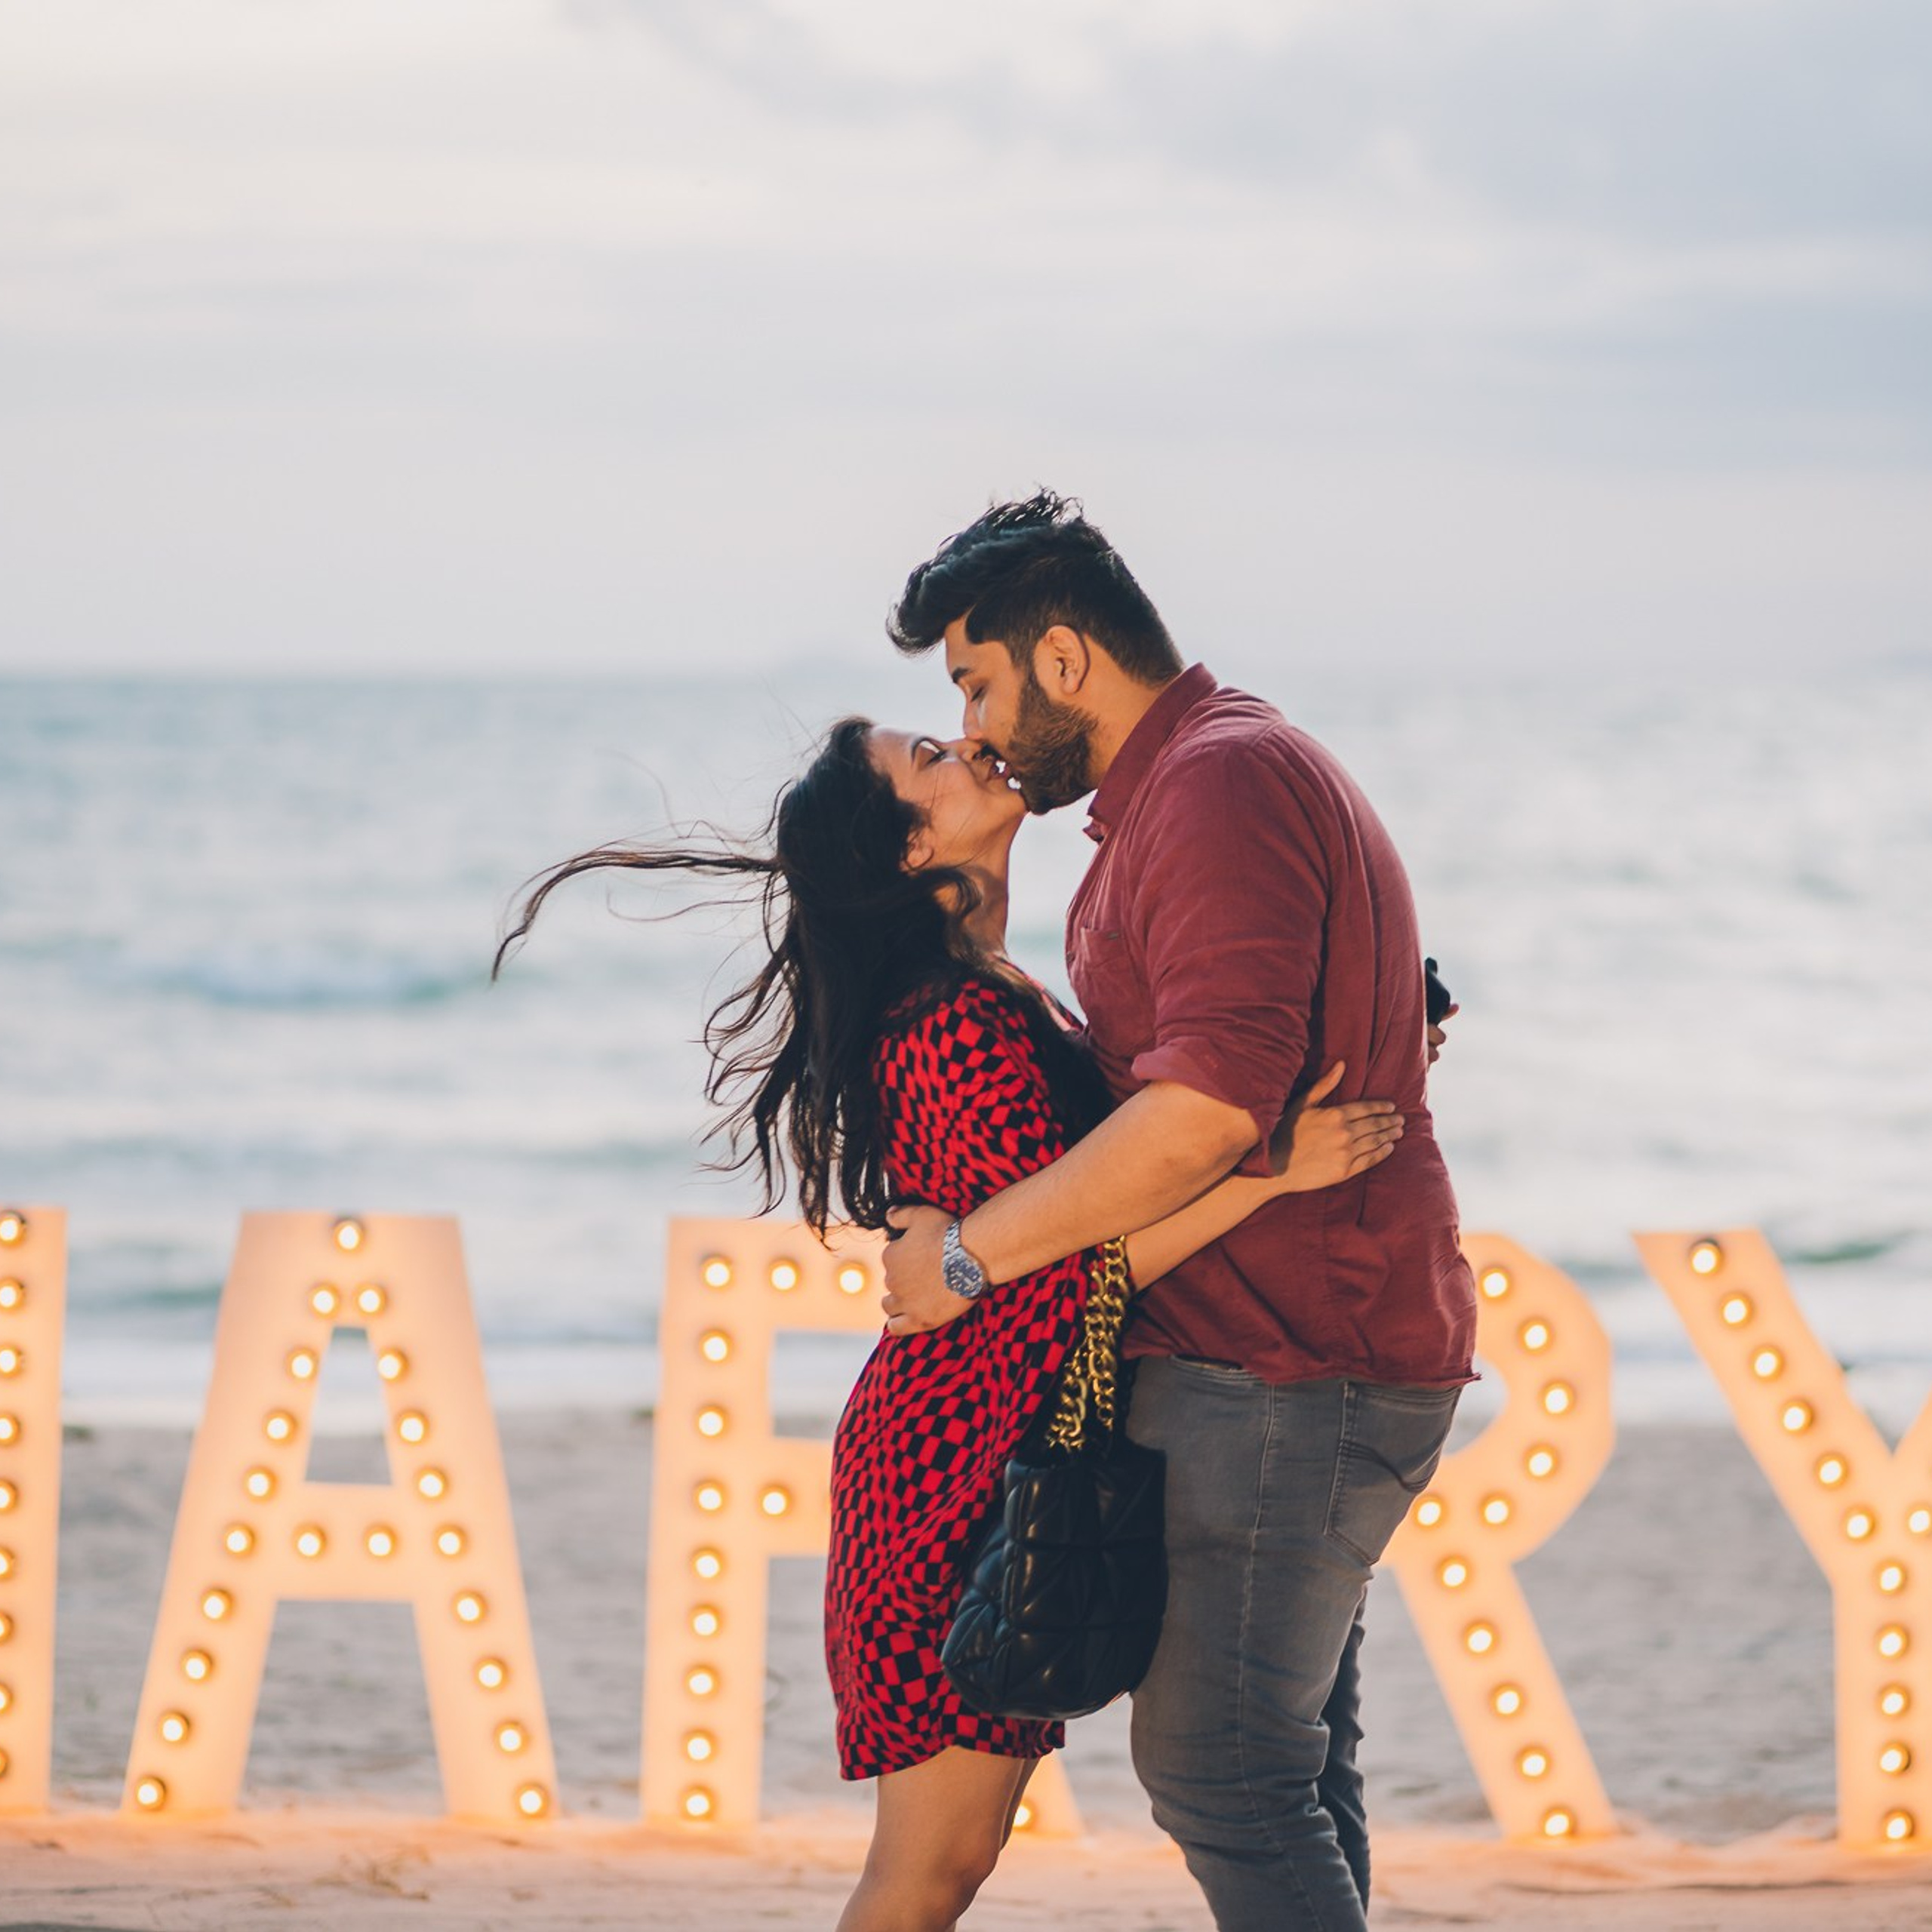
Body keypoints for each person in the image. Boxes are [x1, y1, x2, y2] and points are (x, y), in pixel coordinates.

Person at [494, 713, 1407, 1932]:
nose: (968, 748)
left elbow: (1077, 1217)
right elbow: (1072, 1272)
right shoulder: (949, 1022)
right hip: (947, 1470)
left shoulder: (997, 990)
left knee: (951, 1860)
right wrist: (1270, 1175)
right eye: (929, 757)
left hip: (983, 1444)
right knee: (934, 1867)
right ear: (910, 849)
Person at [878, 493, 1477, 1931]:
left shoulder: (1216, 784)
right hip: (1283, 1351)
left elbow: (1204, 1110)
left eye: (977, 681)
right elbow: (1192, 1072)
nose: (974, 722)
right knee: (1288, 1765)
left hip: (1290, 1362)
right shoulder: (1193, 787)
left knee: (1218, 1765)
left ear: (1067, 661)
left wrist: (966, 1260)